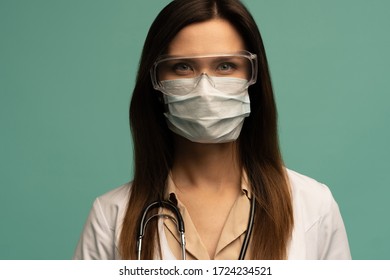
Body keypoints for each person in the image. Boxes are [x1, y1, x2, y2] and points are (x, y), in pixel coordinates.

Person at [73, 0, 351, 260]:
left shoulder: (314, 207)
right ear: (156, 83)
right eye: (183, 67)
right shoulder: (111, 217)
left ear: (252, 79)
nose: (204, 88)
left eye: (226, 66)